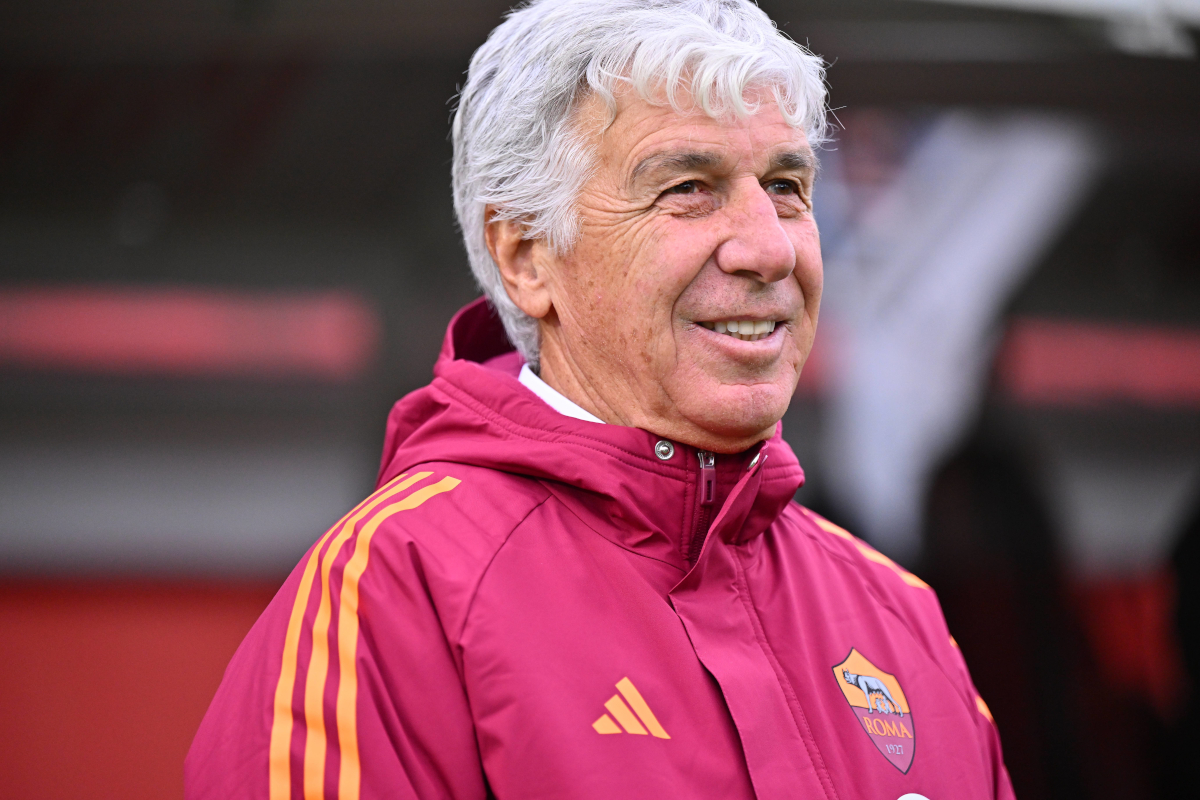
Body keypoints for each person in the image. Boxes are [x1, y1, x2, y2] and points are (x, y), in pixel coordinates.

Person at [186, 1, 1014, 797]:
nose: (769, 248)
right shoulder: (395, 593)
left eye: (787, 186)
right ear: (525, 258)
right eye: (688, 186)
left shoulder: (897, 615)